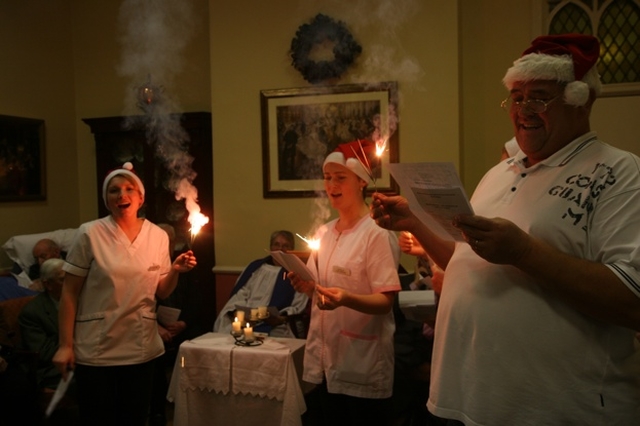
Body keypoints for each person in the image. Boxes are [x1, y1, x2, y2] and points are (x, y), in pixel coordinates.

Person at [371, 34, 640, 425]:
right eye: (516, 96)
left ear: (582, 100)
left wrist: (524, 252)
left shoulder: (619, 172)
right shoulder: (499, 173)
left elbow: (632, 301)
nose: (524, 109)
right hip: (467, 399)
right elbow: (469, 260)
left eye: (540, 96)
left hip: (554, 410)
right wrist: (414, 223)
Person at [52, 162, 197, 426]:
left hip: (141, 347)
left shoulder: (157, 236)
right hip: (97, 349)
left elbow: (161, 291)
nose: (122, 195)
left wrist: (175, 270)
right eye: (114, 190)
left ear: (141, 198)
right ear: (106, 200)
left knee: (134, 418)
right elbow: (69, 294)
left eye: (130, 189)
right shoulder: (89, 233)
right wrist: (65, 345)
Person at [290, 140, 401, 425]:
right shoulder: (325, 232)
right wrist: (307, 287)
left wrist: (346, 298)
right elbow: (319, 288)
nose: (331, 185)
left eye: (341, 178)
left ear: (361, 181)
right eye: (327, 178)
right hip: (326, 365)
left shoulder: (376, 233)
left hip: (362, 364)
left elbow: (385, 301)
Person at [149, 223, 206, 426]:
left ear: (173, 242)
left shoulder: (184, 262)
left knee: (198, 343)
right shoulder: (149, 262)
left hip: (182, 324)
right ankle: (158, 410)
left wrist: (184, 322)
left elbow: (196, 299)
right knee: (154, 356)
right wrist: (158, 326)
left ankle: (195, 401)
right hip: (153, 326)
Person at [213, 230, 309, 337]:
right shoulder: (256, 267)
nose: (280, 249)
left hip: (275, 324)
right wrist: (237, 312)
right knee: (226, 329)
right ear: (270, 247)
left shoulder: (295, 272)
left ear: (292, 250)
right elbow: (242, 293)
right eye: (276, 244)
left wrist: (281, 317)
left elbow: (298, 305)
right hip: (247, 318)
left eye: (285, 246)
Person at [19, 258, 69, 391]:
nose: (70, 283)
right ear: (48, 284)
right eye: (63, 279)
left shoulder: (81, 300)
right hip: (54, 369)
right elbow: (44, 353)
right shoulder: (32, 313)